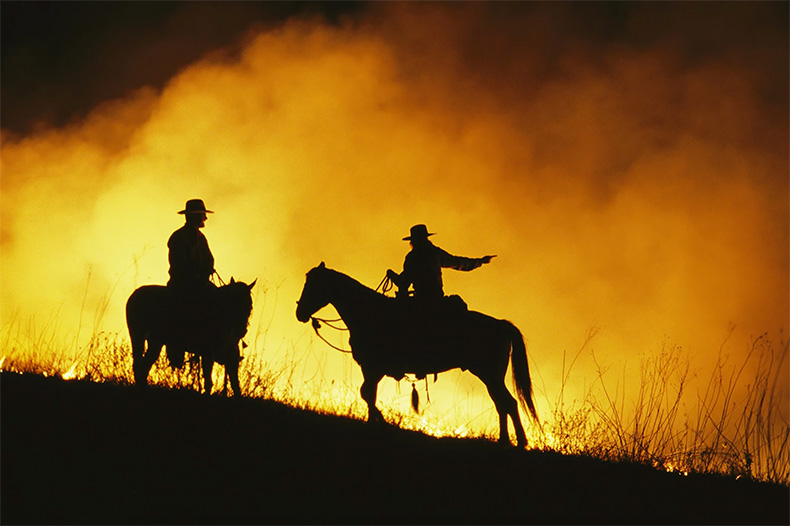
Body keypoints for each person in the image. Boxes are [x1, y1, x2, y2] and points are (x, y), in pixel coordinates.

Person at [386, 224, 496, 303]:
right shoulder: (435, 252)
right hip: (438, 298)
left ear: (413, 241)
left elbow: (404, 283)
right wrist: (480, 261)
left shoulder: (413, 257)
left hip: (421, 301)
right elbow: (459, 263)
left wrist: (391, 274)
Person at [166, 198, 217, 367]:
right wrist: (195, 273)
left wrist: (207, 269)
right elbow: (178, 263)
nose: (205, 219)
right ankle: (176, 347)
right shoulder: (178, 238)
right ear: (195, 216)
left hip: (200, 282)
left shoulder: (201, 238)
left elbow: (209, 258)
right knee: (179, 311)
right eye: (203, 215)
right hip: (182, 284)